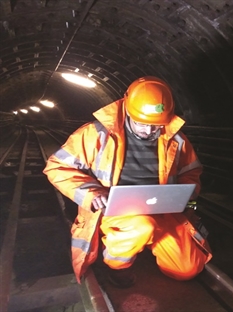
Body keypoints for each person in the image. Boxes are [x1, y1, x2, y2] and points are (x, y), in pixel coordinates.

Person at [43, 76, 212, 288]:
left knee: (186, 269)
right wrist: (91, 193)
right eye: (142, 124)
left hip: (162, 211)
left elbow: (192, 171)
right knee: (142, 225)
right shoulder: (97, 134)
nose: (149, 131)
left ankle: (149, 241)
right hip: (116, 212)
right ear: (127, 109)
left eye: (156, 125)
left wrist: (186, 194)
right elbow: (57, 166)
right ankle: (117, 267)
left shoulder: (176, 139)